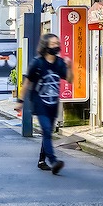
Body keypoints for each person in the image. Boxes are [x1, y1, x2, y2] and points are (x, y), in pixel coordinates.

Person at [16, 33, 72, 174]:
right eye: (53, 44)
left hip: (53, 103)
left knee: (48, 133)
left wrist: (69, 67)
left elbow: (69, 80)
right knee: (46, 130)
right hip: (40, 102)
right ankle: (53, 161)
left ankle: (42, 160)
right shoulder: (38, 63)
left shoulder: (59, 63)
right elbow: (27, 82)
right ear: (45, 46)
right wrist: (20, 101)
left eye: (57, 43)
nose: (56, 46)